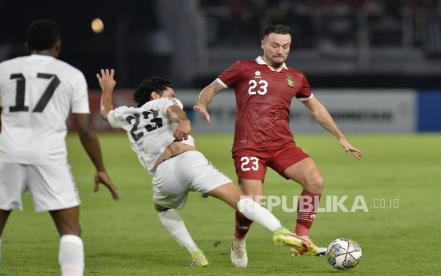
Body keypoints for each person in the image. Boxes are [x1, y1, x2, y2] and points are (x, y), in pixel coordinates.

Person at [96, 69, 320, 267]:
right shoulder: (162, 102)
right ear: (155, 95)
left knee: (163, 209)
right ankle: (279, 230)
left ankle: (196, 254)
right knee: (242, 201)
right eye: (170, 93)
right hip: (190, 161)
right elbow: (174, 111)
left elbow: (106, 113)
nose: (174, 97)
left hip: (163, 175)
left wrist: (107, 89)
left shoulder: (128, 115)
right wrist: (184, 122)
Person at [194, 24, 363, 267]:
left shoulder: (296, 77)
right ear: (263, 44)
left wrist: (341, 137)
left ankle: (301, 236)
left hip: (282, 145)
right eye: (275, 45)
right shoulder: (243, 68)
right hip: (248, 145)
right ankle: (239, 240)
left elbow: (316, 109)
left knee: (315, 180)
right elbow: (211, 88)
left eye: (285, 46)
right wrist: (203, 103)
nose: (280, 50)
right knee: (254, 202)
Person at [0, 19, 119, 276]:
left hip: (10, 153)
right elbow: (86, 130)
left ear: (27, 45)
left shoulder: (4, 69)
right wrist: (100, 167)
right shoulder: (72, 75)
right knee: (71, 230)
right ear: (57, 45)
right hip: (49, 157)